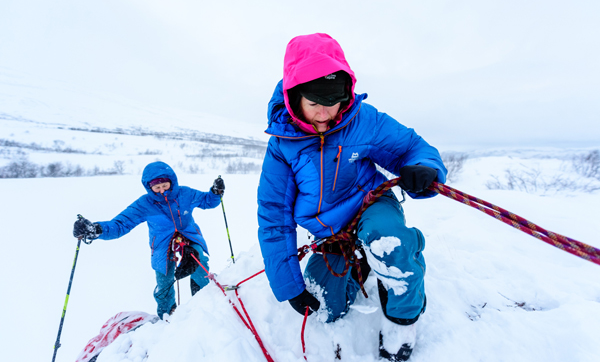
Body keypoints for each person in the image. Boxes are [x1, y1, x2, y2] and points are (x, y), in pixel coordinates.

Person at [257, 33, 447, 361]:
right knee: (324, 307)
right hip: (330, 229)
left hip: (371, 203)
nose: (324, 114)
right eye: (314, 103)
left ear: (345, 93)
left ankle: (402, 317)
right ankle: (359, 266)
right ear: (293, 96)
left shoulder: (363, 120)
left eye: (331, 102)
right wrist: (289, 285)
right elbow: (274, 216)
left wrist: (423, 167)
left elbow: (412, 147)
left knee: (389, 242)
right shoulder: (282, 146)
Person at [73, 161, 225, 319]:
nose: (161, 191)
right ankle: (167, 315)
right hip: (161, 246)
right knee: (164, 281)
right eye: (157, 188)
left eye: (165, 186)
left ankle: (206, 301)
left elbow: (207, 201)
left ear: (171, 182)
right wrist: (97, 229)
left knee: (199, 260)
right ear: (149, 187)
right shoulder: (144, 204)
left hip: (189, 237)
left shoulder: (185, 194)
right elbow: (120, 224)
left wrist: (216, 192)